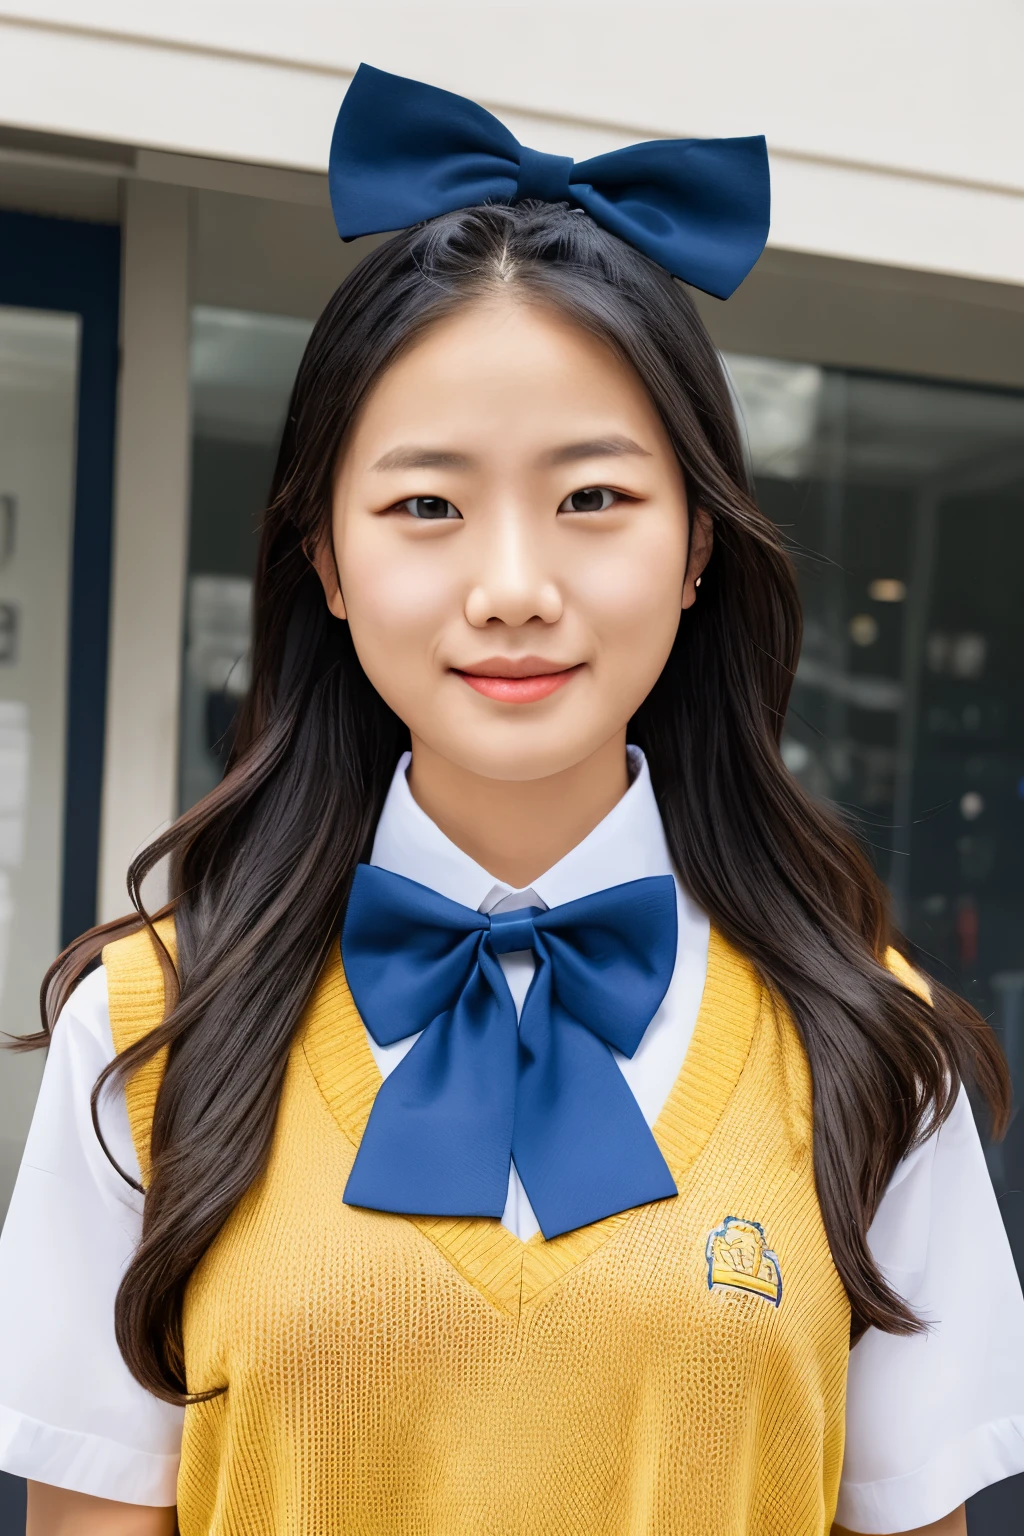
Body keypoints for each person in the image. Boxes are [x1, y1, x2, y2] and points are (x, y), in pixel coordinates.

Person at [2, 64, 1023, 1536]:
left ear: (696, 549)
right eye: (425, 504)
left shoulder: (869, 1043)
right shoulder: (152, 1026)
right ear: (327, 564)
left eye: (593, 499)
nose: (513, 588)